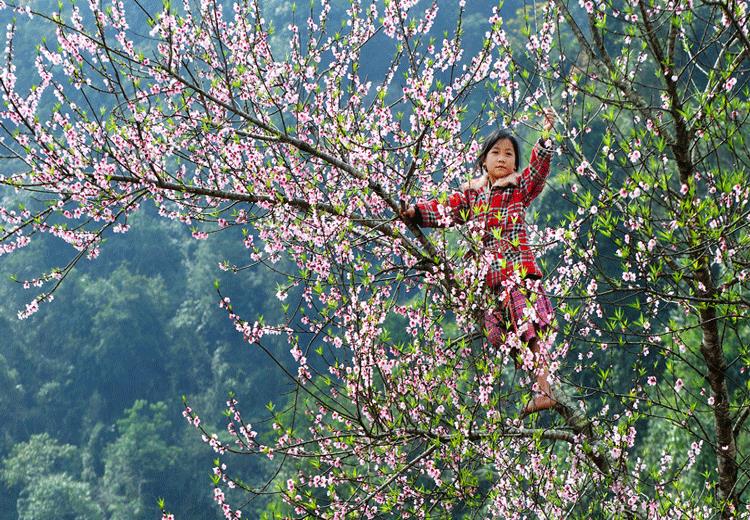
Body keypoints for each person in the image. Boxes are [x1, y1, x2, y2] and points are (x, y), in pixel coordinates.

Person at [401, 109, 557, 416]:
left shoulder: (518, 188)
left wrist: (546, 135)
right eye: (495, 153)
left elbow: (538, 170)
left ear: (516, 162)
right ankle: (538, 386)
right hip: (490, 283)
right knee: (502, 335)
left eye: (509, 154)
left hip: (517, 275)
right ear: (483, 160)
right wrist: (416, 212)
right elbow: (444, 209)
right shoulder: (471, 196)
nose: (502, 159)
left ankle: (544, 390)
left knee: (530, 332)